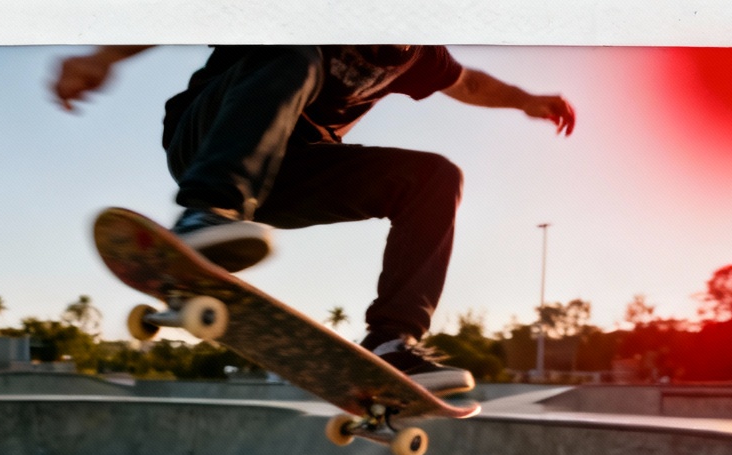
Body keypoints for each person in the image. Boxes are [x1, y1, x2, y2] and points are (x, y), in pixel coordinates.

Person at [53, 45, 575, 394]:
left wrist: (526, 101)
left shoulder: (419, 53)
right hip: (209, 138)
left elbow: (470, 85)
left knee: (435, 177)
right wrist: (105, 57)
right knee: (295, 53)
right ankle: (207, 213)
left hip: (289, 175)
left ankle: (393, 342)